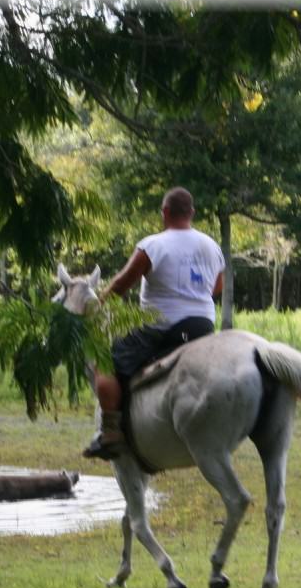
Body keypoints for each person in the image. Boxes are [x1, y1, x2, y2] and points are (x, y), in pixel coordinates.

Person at [85, 187, 225, 460]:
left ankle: (111, 430)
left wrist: (95, 308)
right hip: (203, 325)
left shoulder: (153, 245)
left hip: (162, 327)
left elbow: (120, 285)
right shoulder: (212, 246)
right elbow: (217, 286)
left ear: (165, 213)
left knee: (105, 361)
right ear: (192, 213)